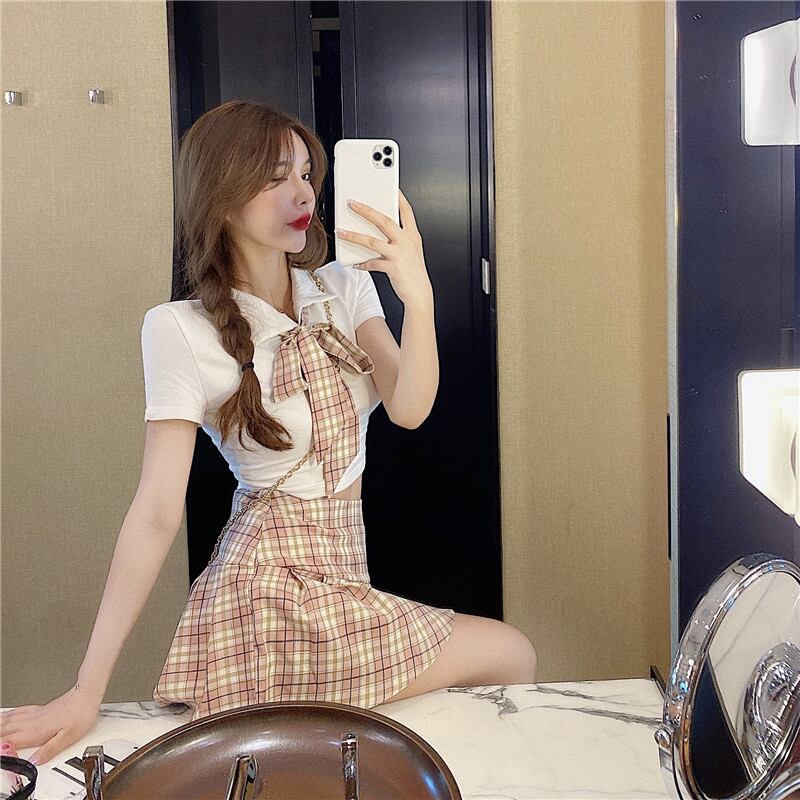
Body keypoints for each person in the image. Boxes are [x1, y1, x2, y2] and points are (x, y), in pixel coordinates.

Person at [0, 100, 537, 766]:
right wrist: (87, 689)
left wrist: (418, 295)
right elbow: (156, 511)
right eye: (275, 176)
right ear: (221, 195)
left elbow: (409, 407)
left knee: (393, 732)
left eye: (306, 173)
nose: (302, 193)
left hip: (341, 577)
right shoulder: (179, 328)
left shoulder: (342, 287)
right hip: (269, 594)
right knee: (510, 655)